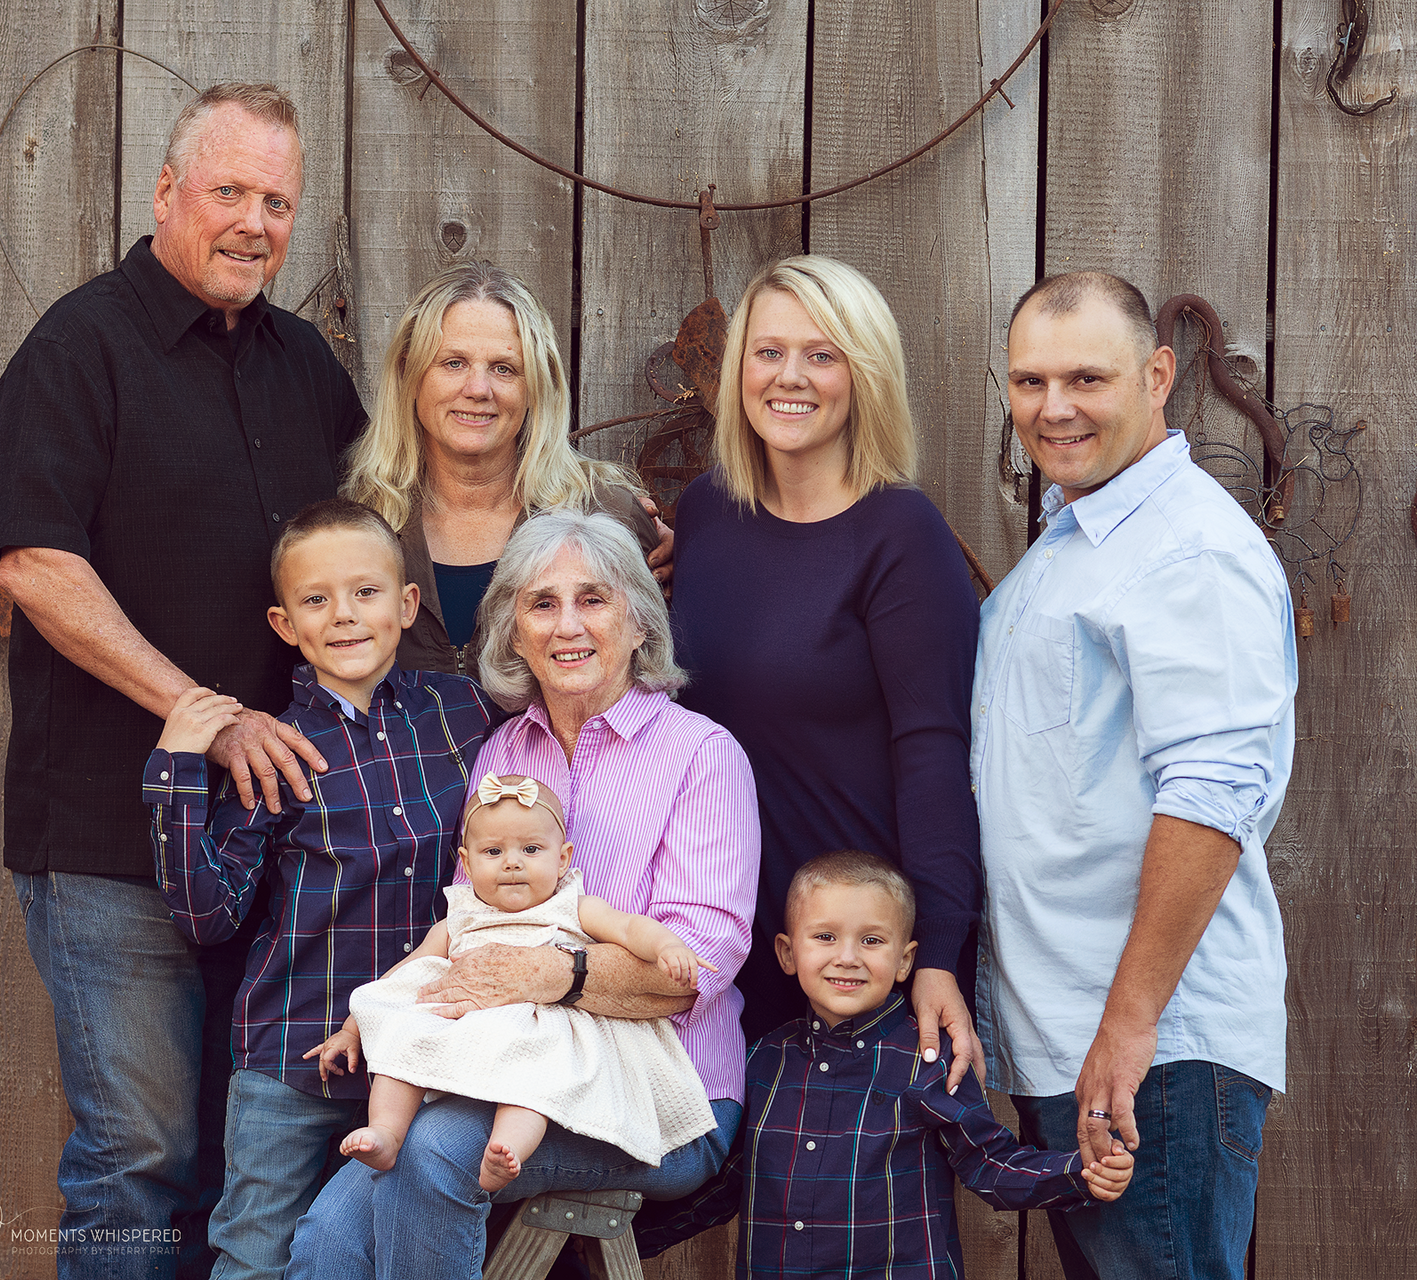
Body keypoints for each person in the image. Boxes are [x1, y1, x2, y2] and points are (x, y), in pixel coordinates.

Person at [0, 83, 365, 1278]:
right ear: (165, 193)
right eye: (231, 191)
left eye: (278, 201)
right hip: (111, 842)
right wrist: (205, 713)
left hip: (270, 852)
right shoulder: (79, 346)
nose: (254, 222)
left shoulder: (309, 369)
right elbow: (35, 562)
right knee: (136, 1152)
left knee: (244, 1151)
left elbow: (380, 540)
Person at [285, 508, 760, 1280]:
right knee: (329, 1239)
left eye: (593, 600)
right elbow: (470, 922)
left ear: (640, 620)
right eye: (541, 603)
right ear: (514, 631)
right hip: (500, 1070)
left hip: (671, 1094)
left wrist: (552, 973)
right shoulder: (507, 750)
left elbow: (696, 972)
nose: (567, 625)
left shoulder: (702, 755)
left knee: (436, 1155)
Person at [976, 271, 1296, 1279]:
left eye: (1086, 376)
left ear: (1158, 375)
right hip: (1090, 1033)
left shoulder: (1186, 548)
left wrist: (1128, 1024)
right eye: (1029, 380)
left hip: (1152, 1047)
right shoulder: (1076, 542)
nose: (1053, 406)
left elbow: (1209, 789)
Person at [144, 500, 496, 1280]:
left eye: (366, 593)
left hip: (428, 1061)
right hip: (292, 1059)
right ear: (284, 624)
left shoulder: (464, 715)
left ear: (407, 605)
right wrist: (174, 772)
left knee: (382, 1254)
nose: (344, 615)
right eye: (316, 600)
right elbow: (209, 917)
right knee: (257, 1258)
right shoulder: (273, 748)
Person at [669, 254, 984, 1086]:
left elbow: (934, 757)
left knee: (844, 1206)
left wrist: (939, 956)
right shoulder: (705, 512)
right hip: (728, 938)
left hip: (855, 959)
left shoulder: (901, 535)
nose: (790, 377)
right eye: (768, 352)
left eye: (822, 353)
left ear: (863, 374)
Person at [643, 851, 1134, 1276]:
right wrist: (620, 1233)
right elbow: (727, 1184)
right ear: (788, 953)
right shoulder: (764, 1060)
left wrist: (1081, 1173)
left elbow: (990, 1162)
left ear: (905, 961)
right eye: (826, 937)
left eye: (872, 941)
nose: (848, 957)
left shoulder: (929, 1058)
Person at [315, 772, 716, 1193]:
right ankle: (386, 1133)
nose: (512, 862)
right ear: (466, 864)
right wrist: (352, 1028)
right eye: (493, 851)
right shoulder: (459, 919)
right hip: (463, 1032)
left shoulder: (574, 907)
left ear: (562, 859)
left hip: (537, 1029)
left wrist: (667, 946)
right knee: (407, 1039)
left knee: (536, 1078)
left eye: (530, 849)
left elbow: (632, 928)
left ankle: (507, 1150)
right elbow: (401, 982)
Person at [342, 260, 671, 677]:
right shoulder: (356, 527)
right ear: (410, 372)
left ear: (535, 385)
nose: (479, 390)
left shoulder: (606, 518)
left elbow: (654, 689)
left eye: (504, 368)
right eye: (453, 363)